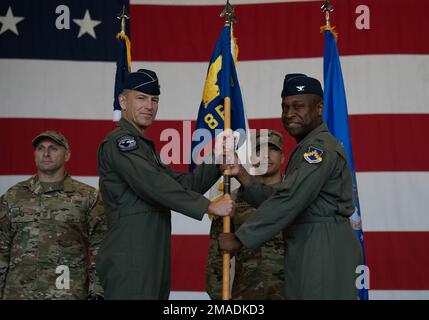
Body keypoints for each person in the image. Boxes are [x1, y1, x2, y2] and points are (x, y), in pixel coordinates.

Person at [218, 74, 363, 300]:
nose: (288, 114)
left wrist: (240, 239)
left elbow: (290, 198)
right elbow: (286, 196)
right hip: (311, 242)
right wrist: (243, 175)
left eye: (298, 107)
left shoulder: (319, 149)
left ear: (319, 108)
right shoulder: (307, 146)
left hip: (322, 245)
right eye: (285, 107)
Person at [97, 69, 234, 300]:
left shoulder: (143, 147)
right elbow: (153, 183)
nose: (149, 106)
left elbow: (184, 183)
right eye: (141, 98)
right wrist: (207, 206)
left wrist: (216, 159)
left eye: (155, 100)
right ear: (123, 101)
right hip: (131, 256)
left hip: (151, 255)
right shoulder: (120, 142)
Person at [0, 130, 107, 300]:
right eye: (40, 148)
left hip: (67, 293)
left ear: (67, 155)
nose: (46, 153)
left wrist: (97, 293)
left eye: (53, 148)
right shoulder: (13, 196)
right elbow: (1, 248)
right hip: (18, 293)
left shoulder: (87, 197)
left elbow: (101, 249)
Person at [206, 129, 285, 300]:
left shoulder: (296, 198)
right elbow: (217, 260)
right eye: (259, 149)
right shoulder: (230, 201)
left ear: (283, 157)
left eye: (272, 149)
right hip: (247, 296)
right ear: (251, 158)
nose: (265, 155)